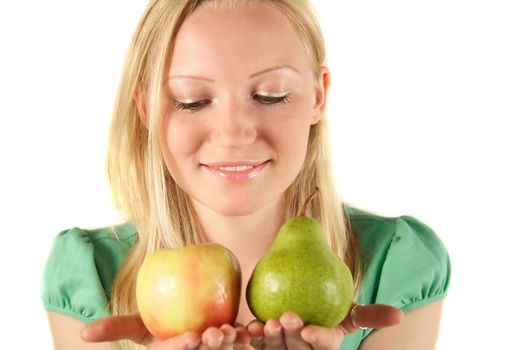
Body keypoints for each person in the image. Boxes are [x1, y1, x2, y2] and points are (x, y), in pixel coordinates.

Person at [41, 0, 451, 349]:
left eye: (271, 95)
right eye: (192, 101)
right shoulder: (89, 276)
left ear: (318, 96)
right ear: (146, 108)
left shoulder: (396, 264)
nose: (233, 132)